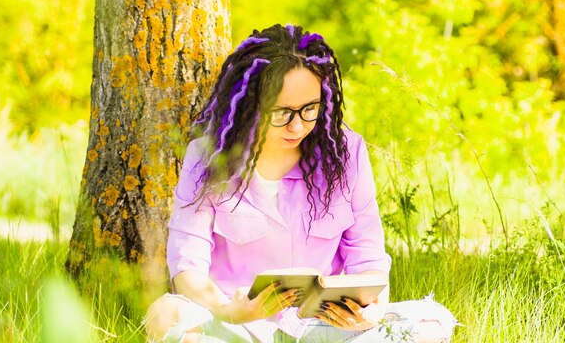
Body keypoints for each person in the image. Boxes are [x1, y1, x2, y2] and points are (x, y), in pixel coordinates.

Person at [145, 24, 458, 343]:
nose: (298, 125)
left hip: (321, 326)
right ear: (251, 105)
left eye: (310, 109)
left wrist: (370, 312)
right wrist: (228, 310)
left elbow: (367, 254)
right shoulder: (208, 156)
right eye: (282, 112)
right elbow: (187, 263)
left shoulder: (347, 152)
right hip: (238, 325)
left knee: (432, 321)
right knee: (165, 312)